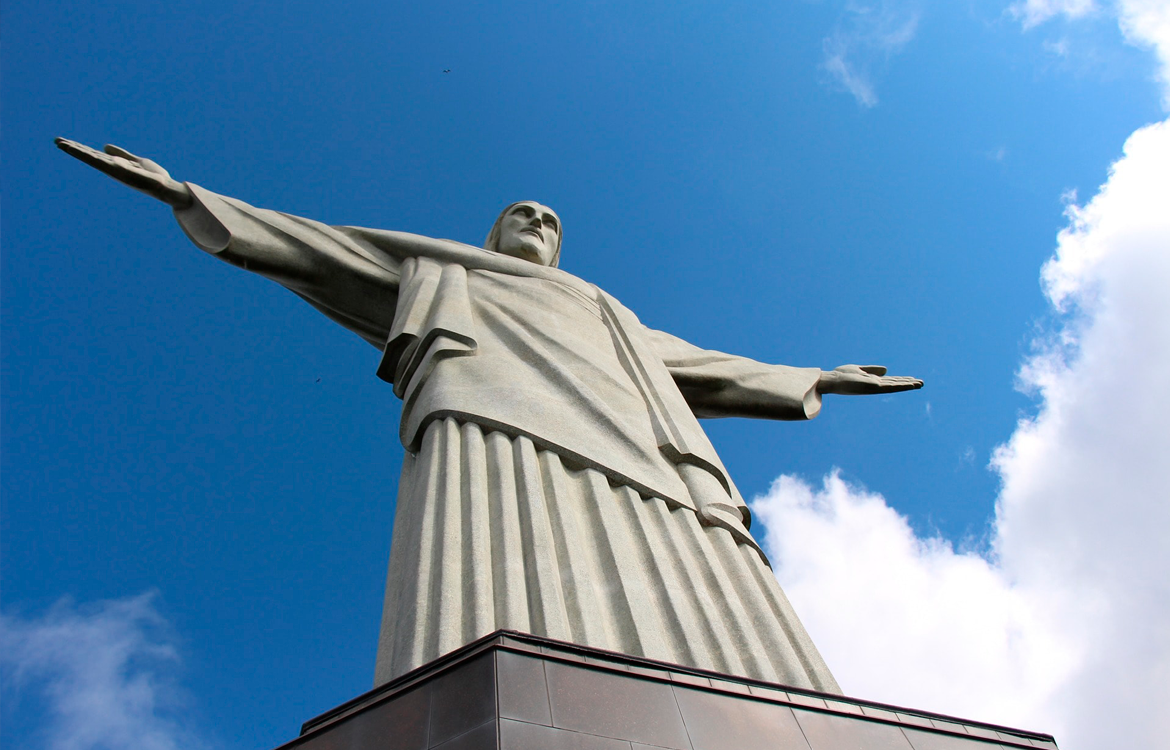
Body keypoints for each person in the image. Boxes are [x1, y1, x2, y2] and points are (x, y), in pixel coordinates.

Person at [56, 139, 923, 694]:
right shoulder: (445, 268)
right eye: (522, 214)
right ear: (494, 233)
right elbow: (322, 249)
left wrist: (817, 377)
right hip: (491, 425)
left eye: (549, 220)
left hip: (645, 453)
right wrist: (186, 195)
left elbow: (705, 366)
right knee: (493, 567)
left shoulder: (607, 312)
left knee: (693, 574)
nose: (537, 224)